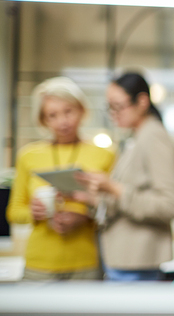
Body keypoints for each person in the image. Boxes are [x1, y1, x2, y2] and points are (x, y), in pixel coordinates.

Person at [74, 72, 174, 281]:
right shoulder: (136, 137)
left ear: (141, 102)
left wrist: (114, 188)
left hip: (137, 261)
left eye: (118, 106)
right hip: (125, 259)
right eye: (109, 107)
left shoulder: (153, 136)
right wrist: (93, 198)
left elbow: (169, 205)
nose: (113, 113)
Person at [6, 76, 115, 280]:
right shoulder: (28, 156)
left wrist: (84, 216)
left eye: (68, 111)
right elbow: (14, 212)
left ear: (81, 110)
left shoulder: (104, 155)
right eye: (52, 115)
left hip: (86, 263)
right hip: (39, 265)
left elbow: (114, 209)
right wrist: (33, 213)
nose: (62, 122)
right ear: (43, 120)